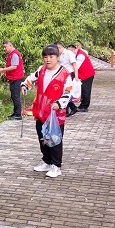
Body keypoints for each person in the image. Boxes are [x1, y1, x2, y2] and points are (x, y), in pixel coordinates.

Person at [21, 44, 73, 178]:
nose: (48, 59)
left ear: (58, 57)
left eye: (51, 56)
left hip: (55, 114)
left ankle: (56, 166)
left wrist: (59, 103)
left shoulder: (65, 74)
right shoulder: (41, 70)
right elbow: (30, 79)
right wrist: (25, 86)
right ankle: (47, 161)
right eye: (45, 57)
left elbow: (68, 93)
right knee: (42, 138)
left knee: (55, 140)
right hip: (40, 112)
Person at [0, 40, 24, 120]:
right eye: (3, 47)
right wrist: (4, 71)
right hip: (13, 78)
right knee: (13, 96)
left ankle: (18, 115)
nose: (4, 49)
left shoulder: (14, 54)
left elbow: (14, 67)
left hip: (17, 78)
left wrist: (3, 69)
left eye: (5, 47)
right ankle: (15, 113)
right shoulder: (11, 54)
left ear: (10, 46)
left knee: (16, 96)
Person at [67, 44, 95, 112]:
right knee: (82, 90)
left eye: (70, 51)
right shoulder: (74, 54)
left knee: (86, 90)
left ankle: (84, 106)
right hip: (81, 74)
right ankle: (82, 104)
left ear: (74, 50)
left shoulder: (80, 55)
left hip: (87, 74)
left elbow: (76, 67)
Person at [54, 42, 79, 117]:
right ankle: (72, 107)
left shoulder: (69, 53)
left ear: (60, 48)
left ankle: (67, 110)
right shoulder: (58, 55)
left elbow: (74, 64)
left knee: (67, 91)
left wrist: (76, 76)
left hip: (69, 74)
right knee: (62, 92)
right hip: (61, 75)